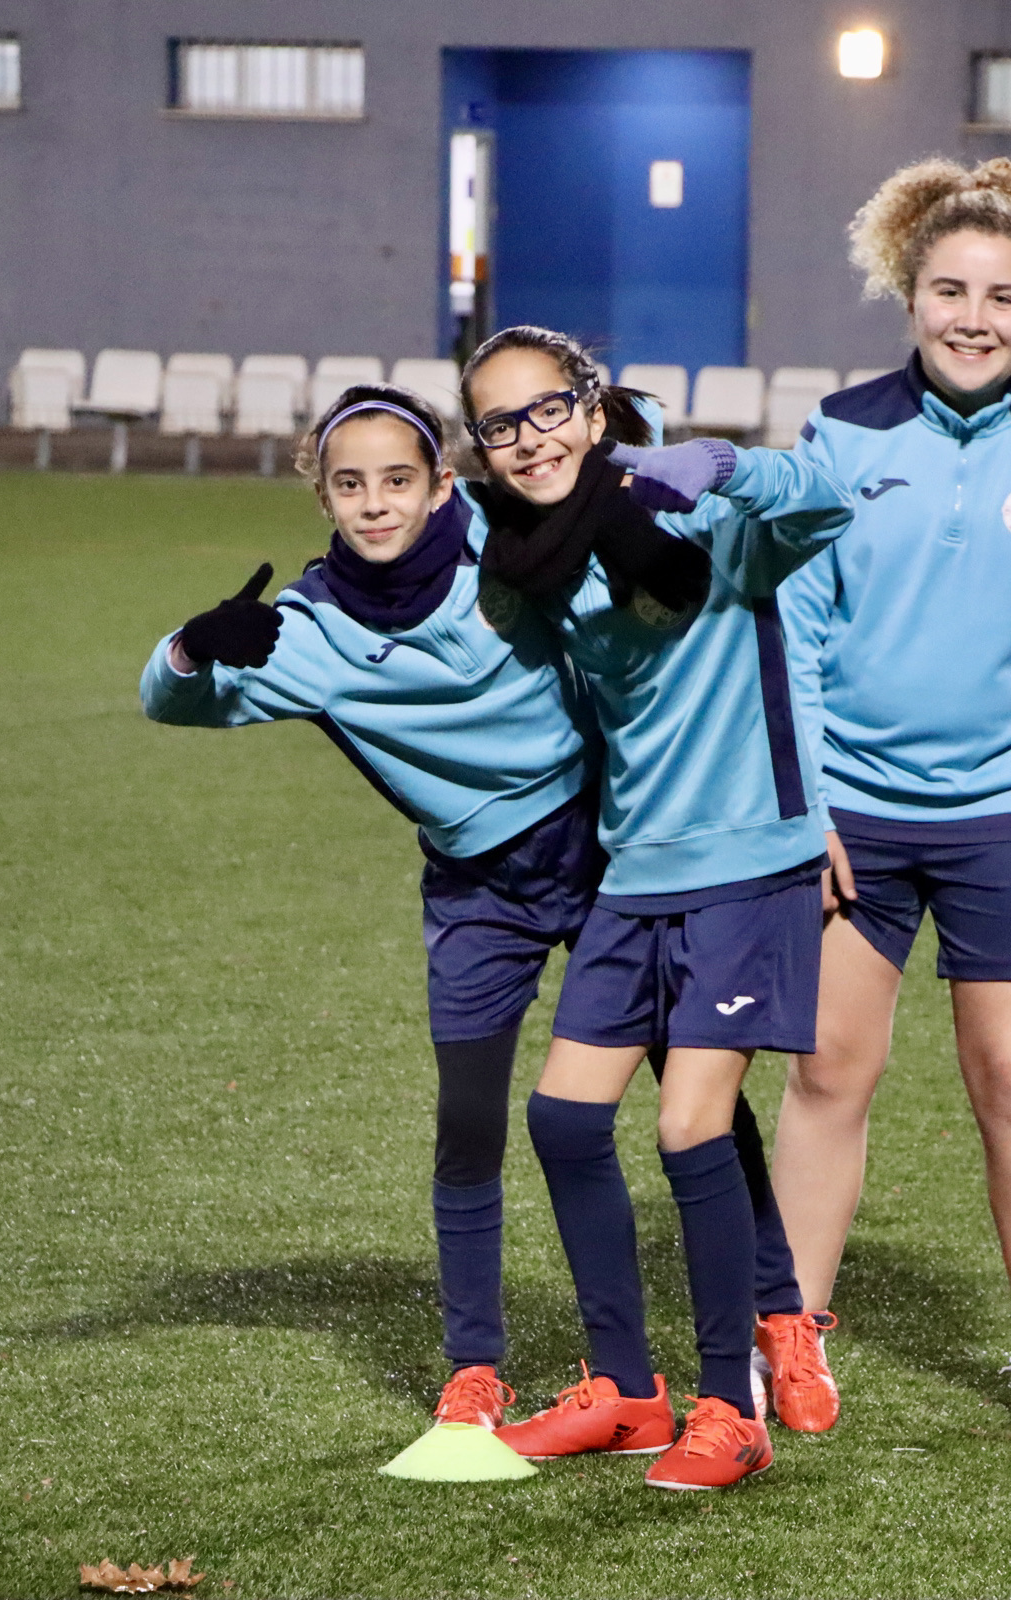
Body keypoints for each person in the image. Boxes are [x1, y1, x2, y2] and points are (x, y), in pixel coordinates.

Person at [136, 382, 790, 1445]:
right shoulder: (305, 631)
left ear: (444, 482)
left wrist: (622, 422)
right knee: (471, 1125)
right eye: (350, 485)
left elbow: (601, 487)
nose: (376, 503)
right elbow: (166, 699)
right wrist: (191, 647)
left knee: (696, 1087)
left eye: (399, 479)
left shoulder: (503, 536)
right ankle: (476, 1368)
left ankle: (779, 1313)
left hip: (605, 843)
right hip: (478, 890)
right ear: (323, 496)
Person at [772, 157, 1011, 1443]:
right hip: (854, 814)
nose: (974, 316)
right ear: (909, 291)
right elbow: (795, 635)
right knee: (830, 1067)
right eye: (949, 288)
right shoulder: (838, 436)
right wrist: (806, 804)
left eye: (1002, 294)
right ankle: (794, 1339)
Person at [458, 327, 852, 1491]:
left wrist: (726, 464)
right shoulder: (527, 560)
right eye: (498, 422)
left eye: (546, 410)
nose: (527, 436)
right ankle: (629, 1392)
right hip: (634, 873)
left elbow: (826, 505)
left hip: (745, 863)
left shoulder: (693, 514)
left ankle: (732, 1407)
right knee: (566, 1121)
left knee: (690, 1126)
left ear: (591, 410)